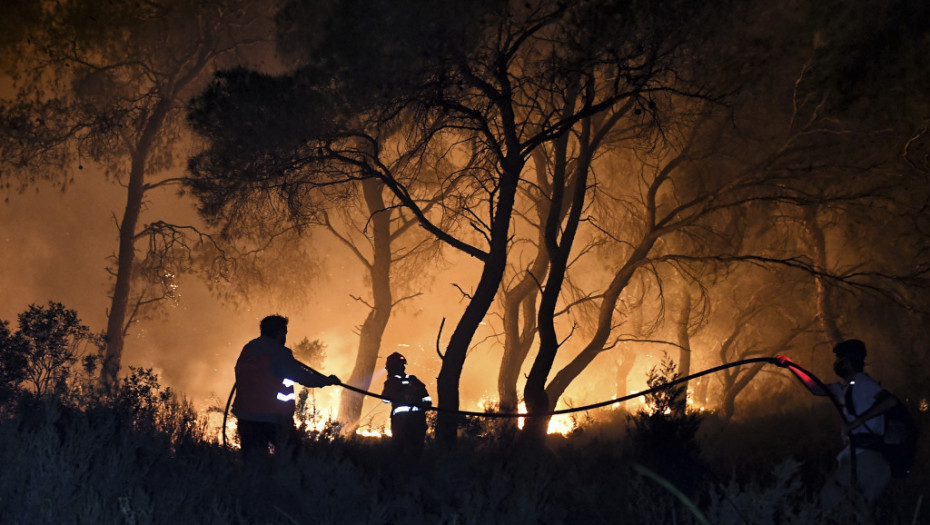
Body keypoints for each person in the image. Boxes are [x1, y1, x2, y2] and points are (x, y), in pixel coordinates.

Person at [232, 315, 340, 458]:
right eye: (285, 332)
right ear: (279, 332)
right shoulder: (279, 353)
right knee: (293, 456)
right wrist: (327, 381)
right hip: (273, 418)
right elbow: (303, 377)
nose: (285, 337)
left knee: (254, 462)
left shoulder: (249, 349)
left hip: (246, 417)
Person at [817, 339, 899, 512]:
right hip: (863, 457)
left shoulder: (862, 382)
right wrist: (790, 365)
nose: (836, 363)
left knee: (830, 499)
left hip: (867, 457)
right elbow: (816, 388)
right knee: (856, 511)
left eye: (839, 359)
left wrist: (857, 422)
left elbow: (889, 401)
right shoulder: (847, 387)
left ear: (848, 361)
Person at [381, 352, 432, 457]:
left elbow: (385, 400)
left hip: (401, 421)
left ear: (391, 367)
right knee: (417, 449)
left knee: (398, 449)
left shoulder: (392, 382)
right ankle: (416, 470)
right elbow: (427, 400)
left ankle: (402, 470)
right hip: (418, 419)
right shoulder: (413, 380)